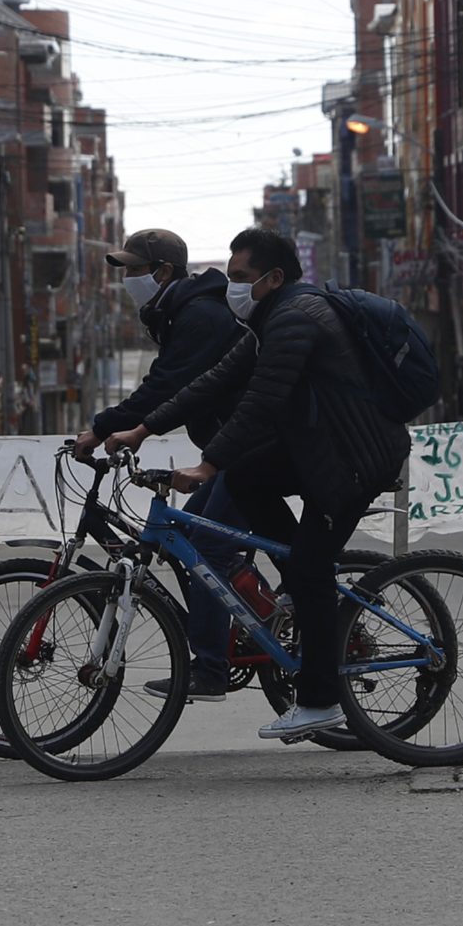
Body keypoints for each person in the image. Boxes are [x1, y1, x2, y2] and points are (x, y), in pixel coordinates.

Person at [109, 227, 412, 742]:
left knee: (312, 570)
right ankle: (296, 580)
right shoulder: (269, 319)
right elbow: (213, 383)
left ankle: (319, 701)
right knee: (247, 480)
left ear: (274, 278)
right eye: (230, 277)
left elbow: (263, 401)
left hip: (353, 460)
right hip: (321, 449)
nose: (233, 288)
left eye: (242, 278)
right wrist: (142, 428)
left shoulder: (296, 318)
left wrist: (208, 464)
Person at [70, 228, 249, 701]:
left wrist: (106, 428)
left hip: (249, 450)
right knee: (193, 536)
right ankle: (253, 624)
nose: (127, 279)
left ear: (163, 272)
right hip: (231, 449)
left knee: (208, 548)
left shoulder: (199, 315)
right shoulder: (179, 314)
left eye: (132, 270)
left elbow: (166, 386)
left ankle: (212, 668)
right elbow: (174, 391)